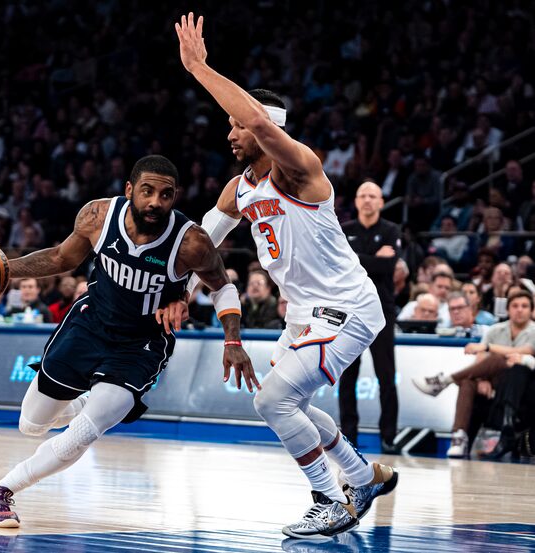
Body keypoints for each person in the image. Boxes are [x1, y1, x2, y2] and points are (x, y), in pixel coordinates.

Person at [168, 14, 395, 539]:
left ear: (263, 126)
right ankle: (363, 478)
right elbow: (203, 244)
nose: (230, 132)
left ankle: (329, 498)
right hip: (305, 312)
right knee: (289, 401)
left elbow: (264, 124)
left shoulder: (299, 167)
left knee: (272, 402)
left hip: (346, 307)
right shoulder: (239, 188)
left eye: (238, 124)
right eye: (229, 125)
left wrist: (199, 68)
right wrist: (179, 291)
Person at [0, 155, 255, 528]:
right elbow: (61, 257)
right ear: (129, 190)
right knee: (32, 424)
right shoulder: (97, 217)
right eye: (147, 191)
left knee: (86, 432)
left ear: (175, 198)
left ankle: (0, 491)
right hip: (89, 327)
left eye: (166, 195)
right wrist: (8, 269)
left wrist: (232, 340)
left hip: (140, 345)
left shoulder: (191, 243)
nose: (155, 201)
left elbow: (223, 288)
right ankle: (88, 401)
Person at [413, 290, 535, 457]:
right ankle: (459, 437)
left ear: (531, 310)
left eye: (524, 306)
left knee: (500, 360)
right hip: (494, 382)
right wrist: (482, 378)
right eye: (515, 306)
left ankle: (445, 381)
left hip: (522, 389)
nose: (519, 309)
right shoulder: (495, 330)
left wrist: (488, 347)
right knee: (468, 383)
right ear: (507, 309)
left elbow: (526, 351)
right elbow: (480, 359)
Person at [340, 181, 401, 451]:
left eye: (372, 196)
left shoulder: (391, 230)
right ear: (355, 201)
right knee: (347, 377)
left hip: (382, 311)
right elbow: (341, 266)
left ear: (380, 201)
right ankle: (348, 437)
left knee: (387, 376)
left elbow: (388, 266)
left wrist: (357, 259)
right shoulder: (344, 231)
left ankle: (388, 436)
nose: (367, 200)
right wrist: (371, 259)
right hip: (350, 311)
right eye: (362, 195)